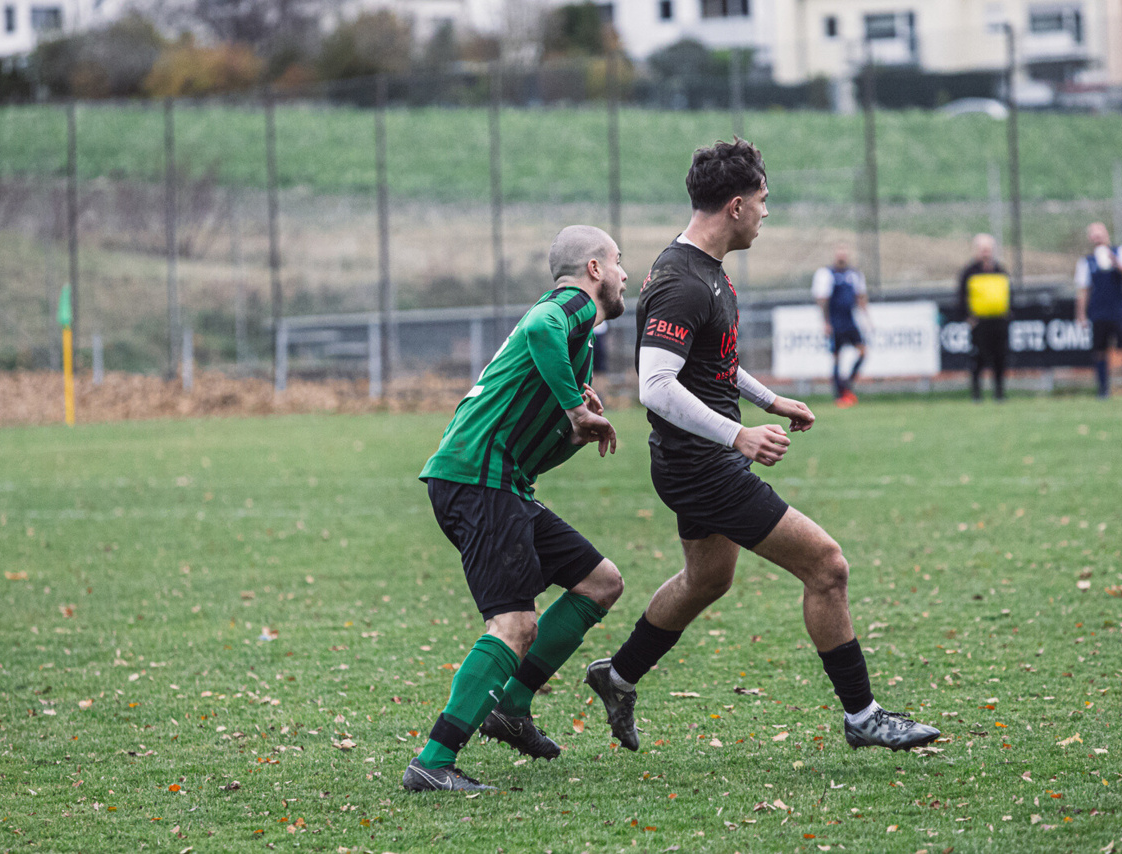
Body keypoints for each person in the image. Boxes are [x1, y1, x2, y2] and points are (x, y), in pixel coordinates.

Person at [584, 138, 940, 756]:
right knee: (827, 566)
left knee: (707, 579)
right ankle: (862, 716)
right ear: (736, 205)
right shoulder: (682, 281)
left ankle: (617, 676)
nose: (767, 212)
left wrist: (769, 401)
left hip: (695, 460)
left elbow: (711, 363)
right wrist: (739, 434)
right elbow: (655, 386)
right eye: (763, 200)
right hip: (702, 466)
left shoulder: (705, 269)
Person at [402, 225, 628, 793]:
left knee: (600, 583)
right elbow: (538, 324)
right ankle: (433, 761)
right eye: (619, 261)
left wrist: (574, 433)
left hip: (504, 483)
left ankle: (512, 706)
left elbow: (538, 455)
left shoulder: (578, 348)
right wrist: (575, 408)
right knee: (514, 624)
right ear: (594, 269)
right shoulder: (570, 306)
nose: (626, 275)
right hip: (478, 480)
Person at [1075, 221, 1122, 397]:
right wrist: (1081, 315)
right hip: (1098, 312)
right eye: (1093, 234)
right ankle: (1103, 391)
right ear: (1090, 238)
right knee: (1099, 352)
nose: (1097, 237)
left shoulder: (1120, 252)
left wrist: (1117, 264)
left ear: (1106, 234)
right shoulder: (1086, 261)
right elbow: (1083, 290)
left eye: (1099, 233)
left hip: (1118, 310)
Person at [957, 233, 1012, 402]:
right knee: (978, 359)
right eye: (983, 249)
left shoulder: (1000, 270)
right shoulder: (969, 272)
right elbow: (962, 296)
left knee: (1000, 358)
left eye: (988, 249)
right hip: (979, 322)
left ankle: (999, 394)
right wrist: (968, 317)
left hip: (999, 321)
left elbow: (1009, 294)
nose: (986, 253)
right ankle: (976, 394)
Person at [811, 247, 869, 407]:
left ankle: (846, 386)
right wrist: (825, 322)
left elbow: (861, 297)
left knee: (863, 352)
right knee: (837, 357)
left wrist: (867, 319)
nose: (842, 258)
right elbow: (822, 299)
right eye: (839, 255)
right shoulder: (826, 274)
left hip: (850, 321)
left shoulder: (854, 274)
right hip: (835, 322)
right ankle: (839, 394)